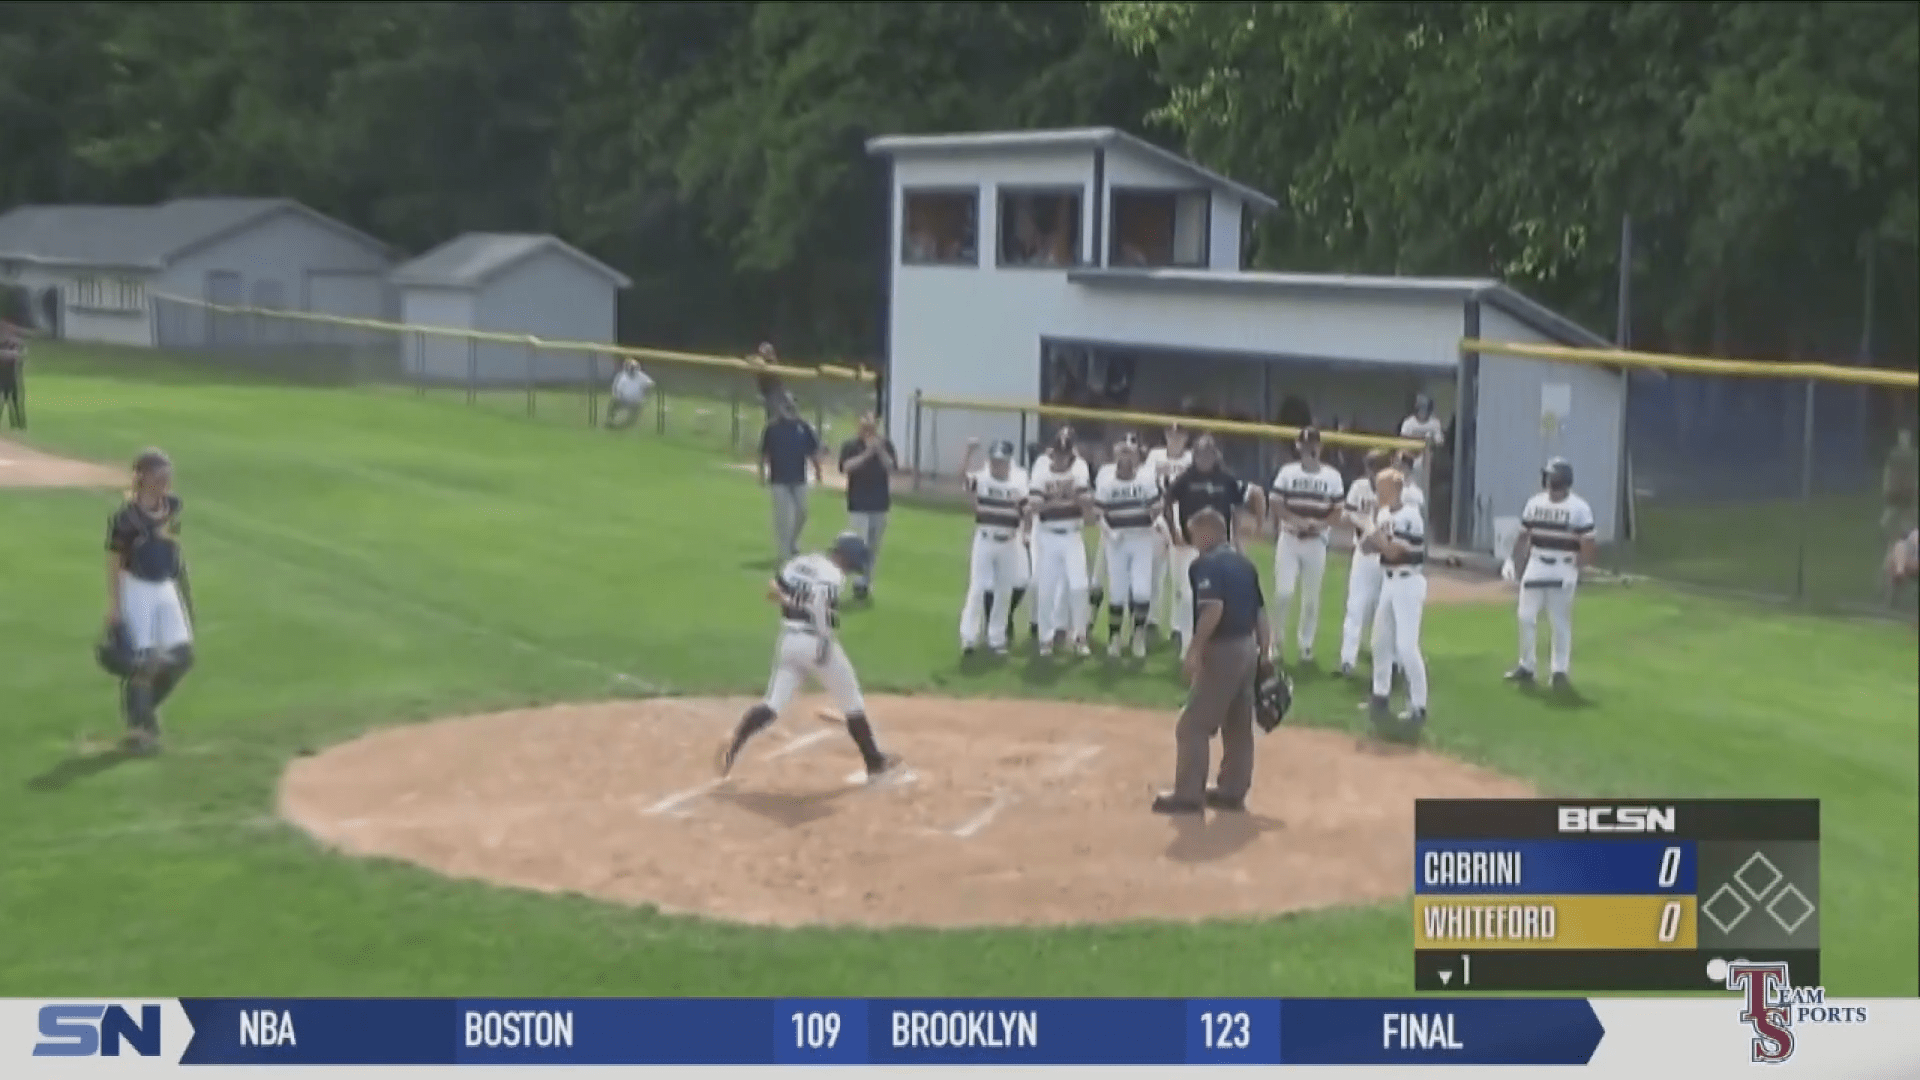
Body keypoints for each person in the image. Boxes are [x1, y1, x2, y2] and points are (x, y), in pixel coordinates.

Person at [716, 532, 901, 781]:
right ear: (845, 557)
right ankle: (875, 762)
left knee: (773, 704)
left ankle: (736, 739)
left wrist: (791, 599)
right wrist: (825, 641)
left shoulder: (799, 563)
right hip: (816, 643)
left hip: (789, 641)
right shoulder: (834, 577)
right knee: (851, 699)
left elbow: (772, 591)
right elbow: (821, 608)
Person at [1153, 507, 1271, 815]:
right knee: (1237, 724)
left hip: (1224, 650)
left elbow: (1213, 609)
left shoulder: (1205, 565)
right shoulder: (1245, 564)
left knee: (1192, 725)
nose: (1192, 541)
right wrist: (1266, 654)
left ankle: (1188, 795)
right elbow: (1261, 614)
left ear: (1208, 531)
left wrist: (1194, 650)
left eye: (1194, 534)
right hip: (1248, 647)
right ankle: (1233, 790)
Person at [105, 449, 196, 753]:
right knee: (141, 661)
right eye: (158, 477)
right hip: (137, 588)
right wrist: (115, 608)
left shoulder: (172, 505)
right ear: (141, 478)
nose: (164, 483)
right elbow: (115, 564)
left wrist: (182, 576)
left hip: (165, 586)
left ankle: (143, 711)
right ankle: (139, 731)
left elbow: (172, 541)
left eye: (167, 477)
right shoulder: (125, 519)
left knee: (182, 656)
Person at [1162, 434, 1268, 658]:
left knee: (1216, 597)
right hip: (1191, 544)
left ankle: (1213, 642)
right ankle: (1186, 644)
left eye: (1208, 453)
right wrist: (1174, 531)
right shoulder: (1185, 478)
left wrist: (1242, 535)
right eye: (1200, 453)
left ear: (1215, 455)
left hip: (1220, 548)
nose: (1204, 458)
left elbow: (1241, 504)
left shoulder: (1226, 478)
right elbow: (1167, 500)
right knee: (1185, 594)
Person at [1504, 457, 1596, 690]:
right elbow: (1524, 536)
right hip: (1537, 562)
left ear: (1563, 480)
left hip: (1563, 565)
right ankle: (1527, 665)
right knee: (1525, 616)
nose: (1548, 481)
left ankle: (1559, 671)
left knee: (1559, 621)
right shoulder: (1535, 503)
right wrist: (1514, 562)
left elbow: (1587, 542)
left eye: (1552, 477)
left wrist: (1579, 567)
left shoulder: (1579, 508)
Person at [1268, 427, 1346, 665]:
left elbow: (1338, 509)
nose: (1309, 449)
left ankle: (1305, 646)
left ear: (1320, 447)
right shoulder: (1287, 472)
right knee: (1283, 592)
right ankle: (1275, 642)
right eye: (1305, 445)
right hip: (1290, 538)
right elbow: (1276, 502)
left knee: (1311, 599)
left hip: (1316, 541)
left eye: (1313, 445)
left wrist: (1320, 524)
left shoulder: (1332, 476)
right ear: (1298, 447)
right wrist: (1296, 520)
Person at [1363, 469, 1430, 737]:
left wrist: (1372, 531)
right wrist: (1368, 528)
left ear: (1395, 488)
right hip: (1389, 582)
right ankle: (1380, 694)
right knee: (1380, 641)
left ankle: (1419, 704)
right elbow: (1367, 549)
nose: (1377, 492)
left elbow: (1393, 550)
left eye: (1381, 488)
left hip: (1408, 582)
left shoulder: (1411, 516)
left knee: (1405, 646)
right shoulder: (1383, 515)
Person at [957, 438, 1031, 656]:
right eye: (995, 461)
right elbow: (962, 477)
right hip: (985, 539)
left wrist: (1026, 532)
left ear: (1009, 462)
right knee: (978, 587)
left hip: (1008, 541)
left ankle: (996, 638)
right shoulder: (982, 479)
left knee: (1004, 591)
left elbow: (1026, 511)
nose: (998, 465)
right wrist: (968, 452)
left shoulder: (1018, 483)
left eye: (1002, 461)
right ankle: (969, 637)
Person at [1026, 427, 1094, 657]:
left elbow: (1085, 499)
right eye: (1058, 452)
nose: (1062, 457)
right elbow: (1034, 504)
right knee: (1045, 588)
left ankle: (1080, 636)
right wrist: (1066, 500)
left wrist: (1052, 501)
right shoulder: (1042, 470)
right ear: (1052, 452)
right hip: (1047, 535)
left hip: (1073, 534)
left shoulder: (1080, 467)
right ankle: (1045, 639)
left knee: (1079, 586)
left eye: (1066, 453)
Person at [1092, 439, 1162, 658]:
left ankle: (1138, 634)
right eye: (1122, 454)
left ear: (1137, 458)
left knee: (1141, 589)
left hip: (1141, 538)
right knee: (1117, 592)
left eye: (1130, 454)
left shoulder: (1146, 481)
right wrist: (1109, 532)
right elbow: (1098, 514)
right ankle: (1114, 637)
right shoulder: (1107, 484)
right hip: (1117, 541)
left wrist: (1155, 517)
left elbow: (1157, 508)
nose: (1126, 459)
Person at [1337, 449, 1393, 677]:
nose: (1372, 473)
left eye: (1376, 468)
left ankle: (1389, 658)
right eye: (1370, 468)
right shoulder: (1359, 487)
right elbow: (1347, 515)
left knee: (1385, 608)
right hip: (1364, 554)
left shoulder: (1394, 490)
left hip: (1386, 556)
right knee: (1356, 606)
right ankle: (1347, 659)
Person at [837, 412, 896, 600]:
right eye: (864, 428)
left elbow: (892, 467)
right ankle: (852, 580)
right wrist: (866, 454)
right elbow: (845, 467)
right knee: (859, 543)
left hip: (879, 503)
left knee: (873, 545)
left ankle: (865, 581)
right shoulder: (851, 446)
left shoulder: (885, 445)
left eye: (871, 428)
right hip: (858, 502)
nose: (868, 431)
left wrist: (879, 451)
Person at [758, 395, 823, 564]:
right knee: (782, 516)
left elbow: (813, 452)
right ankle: (784, 551)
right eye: (784, 405)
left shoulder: (804, 427)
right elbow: (765, 453)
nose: (787, 408)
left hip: (799, 477)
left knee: (802, 512)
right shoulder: (772, 428)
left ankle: (793, 540)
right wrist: (761, 473)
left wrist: (818, 472)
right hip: (778, 478)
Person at [1144, 424, 1193, 643]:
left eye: (1179, 435)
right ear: (1165, 435)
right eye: (1171, 434)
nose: (1175, 438)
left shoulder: (1191, 460)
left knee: (1179, 577)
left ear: (1186, 437)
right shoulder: (1155, 455)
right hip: (1158, 517)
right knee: (1154, 572)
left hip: (1180, 516)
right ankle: (1151, 620)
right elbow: (1146, 485)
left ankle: (1177, 626)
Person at [604, 358, 654, 430]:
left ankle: (626, 426)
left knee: (634, 416)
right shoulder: (621, 376)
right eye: (630, 368)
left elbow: (650, 385)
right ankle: (610, 421)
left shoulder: (642, 377)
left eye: (633, 368)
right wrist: (618, 397)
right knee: (613, 404)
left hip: (636, 401)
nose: (631, 370)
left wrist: (645, 398)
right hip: (624, 400)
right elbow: (616, 389)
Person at [1400, 393, 1445, 471]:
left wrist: (1429, 441)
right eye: (1420, 408)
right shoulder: (1408, 422)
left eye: (1425, 408)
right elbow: (1402, 441)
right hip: (1410, 458)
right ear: (1416, 408)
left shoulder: (1435, 423)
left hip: (1429, 462)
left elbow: (1439, 443)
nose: (1423, 412)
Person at [0, 319, 24, 429]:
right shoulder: (4, 345)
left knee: (14, 402)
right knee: (3, 402)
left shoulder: (14, 344)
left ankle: (18, 424)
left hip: (11, 377)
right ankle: (16, 424)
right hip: (3, 377)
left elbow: (18, 356)